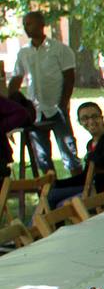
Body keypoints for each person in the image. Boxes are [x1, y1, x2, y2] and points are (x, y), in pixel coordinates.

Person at [8, 10, 80, 175]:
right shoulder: (23, 53)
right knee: (42, 157)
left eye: (30, 23)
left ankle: (80, 188)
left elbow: (69, 78)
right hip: (36, 111)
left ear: (41, 25)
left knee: (69, 152)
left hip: (56, 108)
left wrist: (62, 103)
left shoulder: (60, 49)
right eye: (24, 24)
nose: (26, 27)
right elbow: (16, 79)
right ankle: (51, 192)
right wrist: (11, 102)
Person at [46, 102, 104, 207]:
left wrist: (91, 156)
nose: (91, 121)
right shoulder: (91, 144)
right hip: (91, 187)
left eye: (94, 116)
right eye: (85, 118)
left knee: (60, 203)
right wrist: (58, 183)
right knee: (52, 193)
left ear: (101, 118)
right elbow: (85, 176)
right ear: (80, 122)